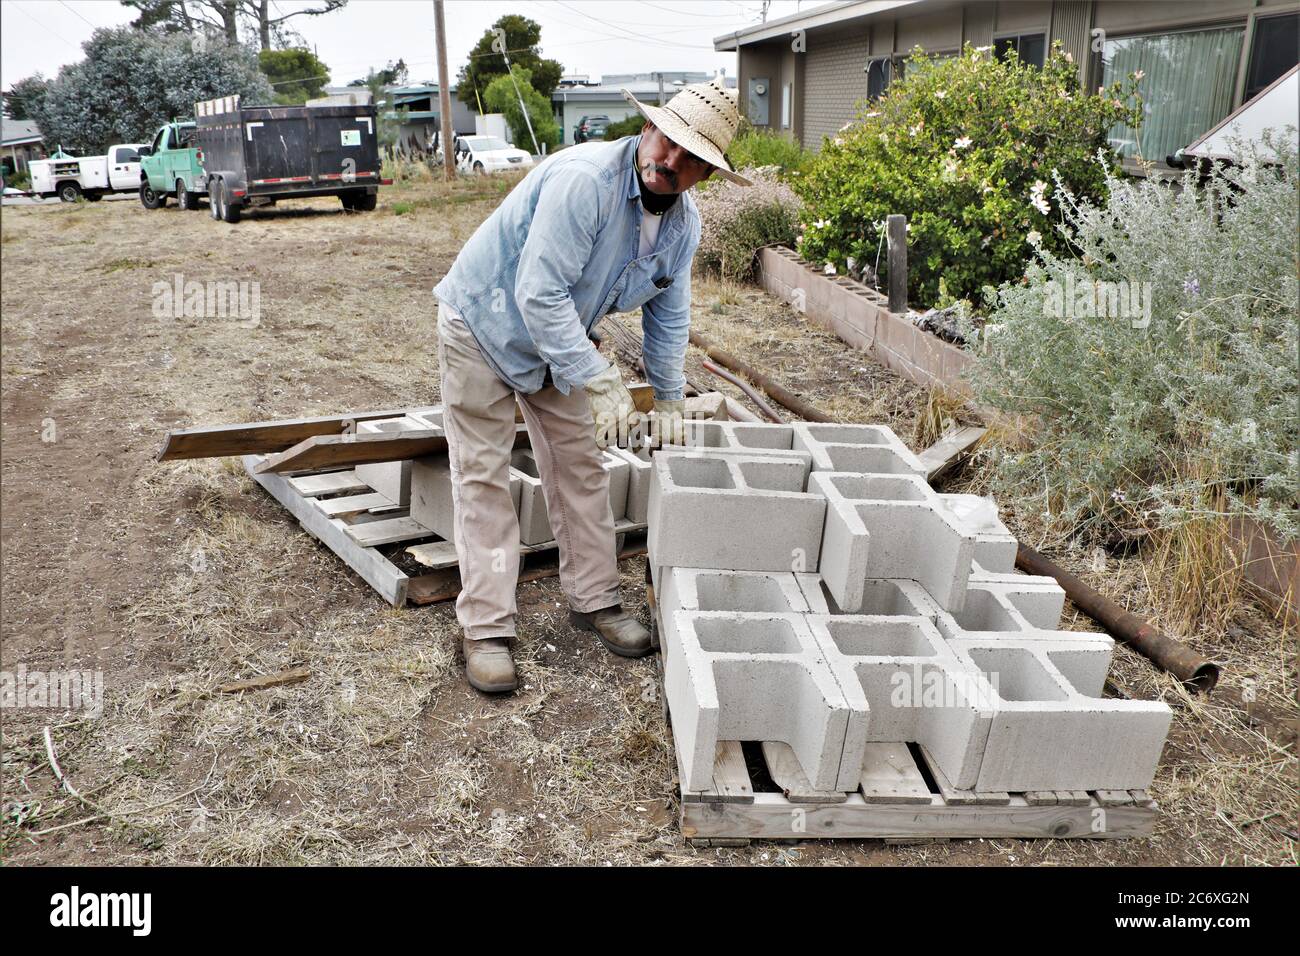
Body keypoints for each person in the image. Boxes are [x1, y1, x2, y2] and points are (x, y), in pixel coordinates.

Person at [432, 78, 751, 693]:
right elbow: (538, 293)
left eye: (692, 160)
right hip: (484, 322)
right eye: (668, 144)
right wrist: (600, 379)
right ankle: (487, 629)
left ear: (707, 174)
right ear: (648, 130)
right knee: (485, 478)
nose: (671, 164)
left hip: (559, 338)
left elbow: (669, 314)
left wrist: (669, 396)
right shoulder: (586, 184)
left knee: (580, 466)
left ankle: (594, 600)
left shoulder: (684, 228)